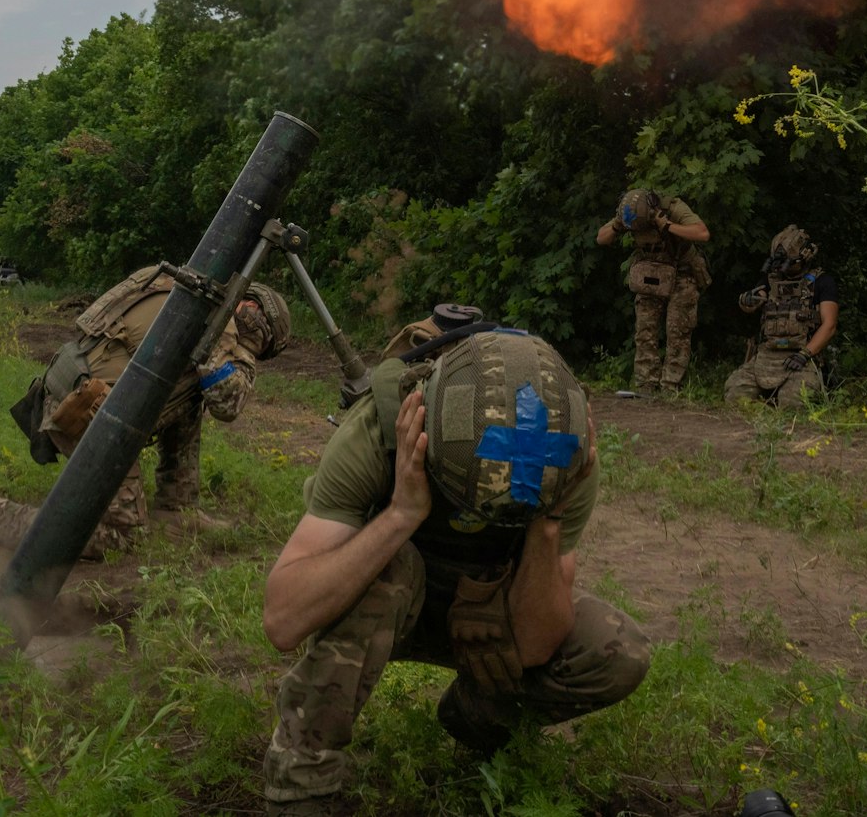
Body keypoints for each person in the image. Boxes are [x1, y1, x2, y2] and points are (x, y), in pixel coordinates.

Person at [259, 330, 652, 814]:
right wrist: (401, 514)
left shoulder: (564, 460)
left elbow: (534, 646)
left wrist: (546, 522)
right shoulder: (381, 432)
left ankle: (478, 717)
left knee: (618, 649)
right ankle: (301, 787)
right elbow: (284, 619)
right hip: (388, 608)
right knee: (386, 567)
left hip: (490, 620)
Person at [0, 266, 290, 559]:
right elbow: (228, 402)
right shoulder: (216, 318)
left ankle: (176, 508)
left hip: (79, 392)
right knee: (123, 536)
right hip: (89, 411)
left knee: (193, 392)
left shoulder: (180, 286)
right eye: (263, 343)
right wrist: (245, 352)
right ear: (251, 309)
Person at [595, 188, 711, 395]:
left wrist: (668, 225)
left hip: (682, 271)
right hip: (651, 270)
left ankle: (671, 387)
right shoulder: (629, 212)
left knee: (678, 329)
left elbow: (702, 233)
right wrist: (616, 225)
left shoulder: (672, 207)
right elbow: (601, 238)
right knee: (644, 328)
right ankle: (646, 384)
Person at [723, 225, 838, 406]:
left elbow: (829, 325)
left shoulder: (822, 282)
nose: (784, 268)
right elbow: (756, 299)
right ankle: (767, 406)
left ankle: (776, 402)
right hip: (767, 355)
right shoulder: (771, 280)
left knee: (793, 403)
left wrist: (805, 354)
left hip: (801, 356)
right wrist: (748, 300)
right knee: (735, 396)